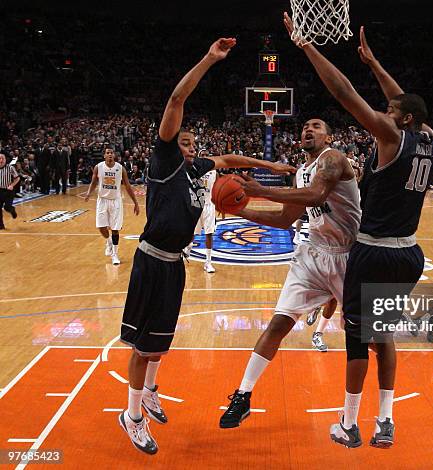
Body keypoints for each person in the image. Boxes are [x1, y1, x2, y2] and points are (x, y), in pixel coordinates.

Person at [117, 38, 294, 455]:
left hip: (175, 263)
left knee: (161, 341)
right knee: (145, 346)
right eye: (185, 144)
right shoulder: (163, 159)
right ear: (171, 143)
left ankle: (150, 390)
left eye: (194, 146)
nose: (191, 150)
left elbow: (229, 159)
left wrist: (270, 167)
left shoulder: (195, 168)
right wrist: (210, 59)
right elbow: (178, 97)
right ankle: (133, 416)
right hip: (151, 260)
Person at [284, 17, 433, 448]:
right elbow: (402, 99)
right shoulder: (429, 137)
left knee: (356, 341)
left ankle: (350, 424)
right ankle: (385, 420)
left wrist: (306, 47)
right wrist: (373, 62)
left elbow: (343, 94)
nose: (384, 112)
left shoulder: (391, 135)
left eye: (390, 111)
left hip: (372, 252)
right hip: (409, 252)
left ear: (401, 119)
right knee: (383, 335)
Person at [219, 117, 360, 429]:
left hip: (348, 257)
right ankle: (243, 395)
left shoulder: (333, 159)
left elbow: (316, 196)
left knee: (367, 338)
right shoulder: (301, 172)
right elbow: (285, 220)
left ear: (329, 136)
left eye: (317, 126)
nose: (308, 130)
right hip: (312, 256)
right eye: (305, 127)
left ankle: (359, 414)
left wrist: (260, 192)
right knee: (278, 323)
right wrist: (240, 210)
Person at [85, 147, 140, 265]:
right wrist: (89, 193)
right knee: (101, 227)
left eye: (111, 153)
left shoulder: (120, 169)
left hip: (116, 201)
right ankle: (108, 241)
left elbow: (128, 186)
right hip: (102, 200)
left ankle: (115, 254)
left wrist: (135, 202)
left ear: (114, 155)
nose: (110, 154)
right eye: (107, 153)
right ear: (104, 156)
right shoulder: (98, 167)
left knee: (115, 229)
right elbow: (94, 182)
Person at [184, 156, 217, 273]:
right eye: (202, 155)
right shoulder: (192, 170)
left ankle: (208, 262)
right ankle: (188, 247)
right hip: (196, 204)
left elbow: (217, 189)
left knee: (209, 233)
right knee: (192, 233)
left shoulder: (214, 171)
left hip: (209, 205)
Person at [0, 153, 19, 230]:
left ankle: (12, 210)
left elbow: (17, 178)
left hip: (8, 191)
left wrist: (12, 185)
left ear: (5, 160)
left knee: (7, 207)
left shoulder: (10, 168)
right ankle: (1, 226)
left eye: (2, 158)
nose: (1, 160)